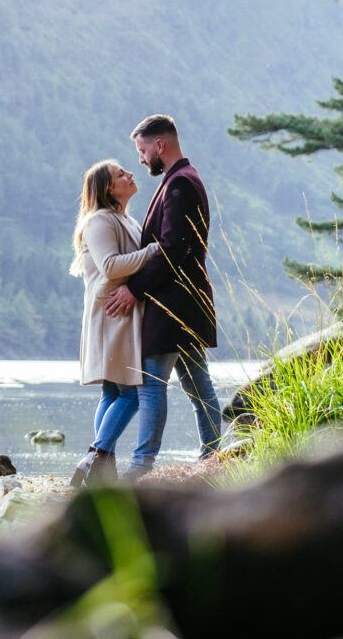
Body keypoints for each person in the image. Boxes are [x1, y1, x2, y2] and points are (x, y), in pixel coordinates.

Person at [104, 114, 221, 477]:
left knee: (152, 387)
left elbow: (173, 247)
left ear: (160, 145)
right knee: (200, 386)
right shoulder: (182, 179)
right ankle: (213, 459)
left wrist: (134, 289)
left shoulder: (180, 184)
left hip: (172, 304)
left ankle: (141, 468)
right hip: (184, 302)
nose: (140, 160)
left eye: (142, 151)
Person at [67, 159, 160, 487]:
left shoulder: (124, 219)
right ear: (108, 188)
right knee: (131, 393)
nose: (130, 174)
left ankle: (99, 466)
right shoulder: (100, 221)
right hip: (112, 314)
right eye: (121, 174)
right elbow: (110, 266)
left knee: (112, 391)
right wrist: (154, 251)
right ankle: (95, 455)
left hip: (116, 313)